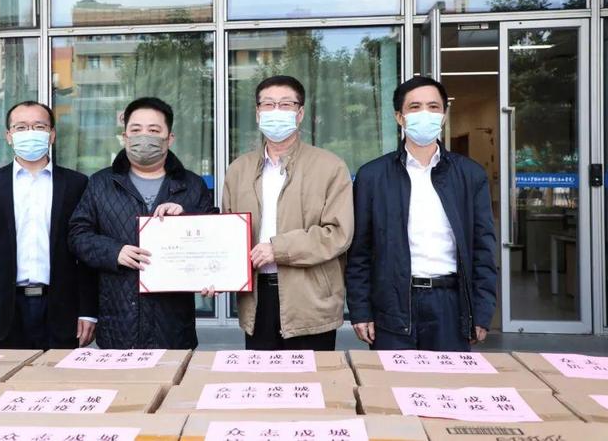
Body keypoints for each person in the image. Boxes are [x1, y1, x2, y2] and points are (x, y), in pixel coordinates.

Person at [346, 76, 497, 351]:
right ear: (399, 117)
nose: (425, 113)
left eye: (433, 107)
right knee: (393, 379)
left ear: (444, 115)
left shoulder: (470, 174)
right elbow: (360, 252)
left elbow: (483, 249)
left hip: (450, 304)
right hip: (391, 304)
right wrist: (360, 310)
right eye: (415, 107)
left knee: (447, 379)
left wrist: (482, 311)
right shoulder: (372, 176)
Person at [68, 97, 215, 349]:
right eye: (136, 130)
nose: (144, 137)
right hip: (118, 326)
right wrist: (114, 251)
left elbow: (214, 239)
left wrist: (186, 221)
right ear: (125, 136)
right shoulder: (101, 183)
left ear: (170, 138)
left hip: (173, 327)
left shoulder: (192, 185)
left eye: (154, 130)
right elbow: (77, 235)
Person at [222, 75, 353, 351]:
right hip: (257, 300)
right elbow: (228, 234)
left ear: (300, 113)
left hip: (311, 299)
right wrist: (217, 272)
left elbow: (337, 234)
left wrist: (278, 249)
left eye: (285, 104)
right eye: (268, 104)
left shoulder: (330, 167)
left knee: (310, 377)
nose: (276, 111)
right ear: (257, 113)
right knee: (261, 377)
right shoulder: (238, 170)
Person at [0, 101, 98, 350]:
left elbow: (86, 254)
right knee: (9, 374)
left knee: (58, 375)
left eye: (39, 126)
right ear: (9, 136)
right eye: (21, 127)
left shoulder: (76, 184)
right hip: (6, 309)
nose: (30, 133)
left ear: (51, 135)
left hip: (62, 308)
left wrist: (88, 311)